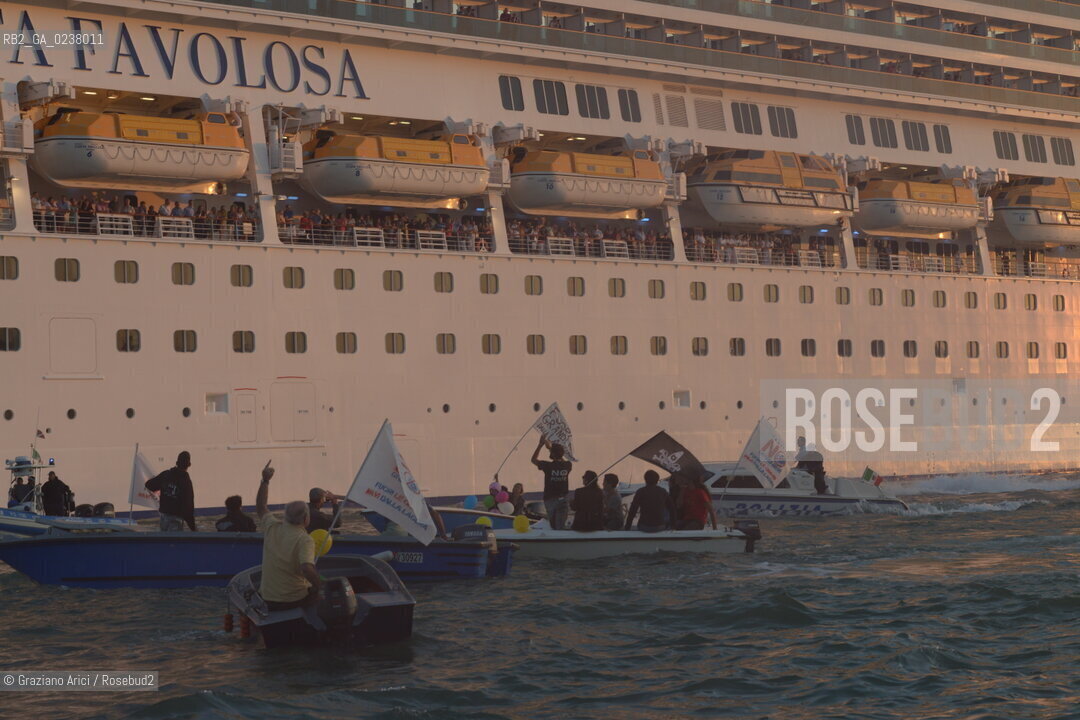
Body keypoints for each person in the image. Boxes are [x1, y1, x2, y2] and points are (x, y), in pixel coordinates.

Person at [255, 464, 321, 610]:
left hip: (267, 597)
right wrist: (320, 586)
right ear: (305, 519)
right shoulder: (305, 540)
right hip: (293, 600)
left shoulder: (272, 526)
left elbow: (261, 507)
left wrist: (265, 481)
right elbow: (307, 568)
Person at [145, 451, 196, 531]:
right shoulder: (186, 481)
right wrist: (193, 528)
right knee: (174, 542)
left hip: (163, 518)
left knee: (164, 541)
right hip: (176, 520)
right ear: (188, 465)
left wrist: (163, 486)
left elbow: (149, 485)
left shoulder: (166, 475)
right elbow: (188, 507)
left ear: (176, 462)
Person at [531, 438, 571, 530]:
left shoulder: (548, 466)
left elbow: (533, 460)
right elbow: (561, 458)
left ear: (552, 454)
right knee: (560, 526)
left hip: (550, 499)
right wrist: (550, 448)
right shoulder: (568, 465)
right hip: (563, 499)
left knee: (553, 525)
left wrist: (540, 445)